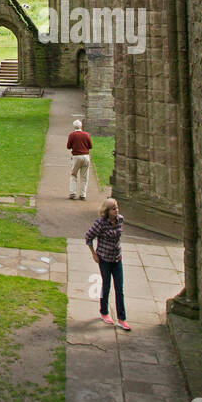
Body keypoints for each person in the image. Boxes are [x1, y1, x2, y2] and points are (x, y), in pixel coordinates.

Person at [85, 197, 130, 330]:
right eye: (113, 208)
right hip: (104, 258)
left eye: (117, 207)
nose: (116, 210)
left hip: (117, 258)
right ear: (107, 211)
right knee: (106, 285)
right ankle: (104, 312)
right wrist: (94, 253)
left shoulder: (120, 220)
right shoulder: (101, 223)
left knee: (119, 288)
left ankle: (122, 319)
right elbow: (88, 237)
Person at [66, 117, 92, 199]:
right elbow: (90, 146)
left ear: (74, 127)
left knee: (73, 175)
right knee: (84, 176)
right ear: (81, 126)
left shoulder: (72, 135)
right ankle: (83, 194)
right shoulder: (86, 134)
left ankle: (73, 193)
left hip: (76, 156)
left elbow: (68, 146)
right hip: (86, 156)